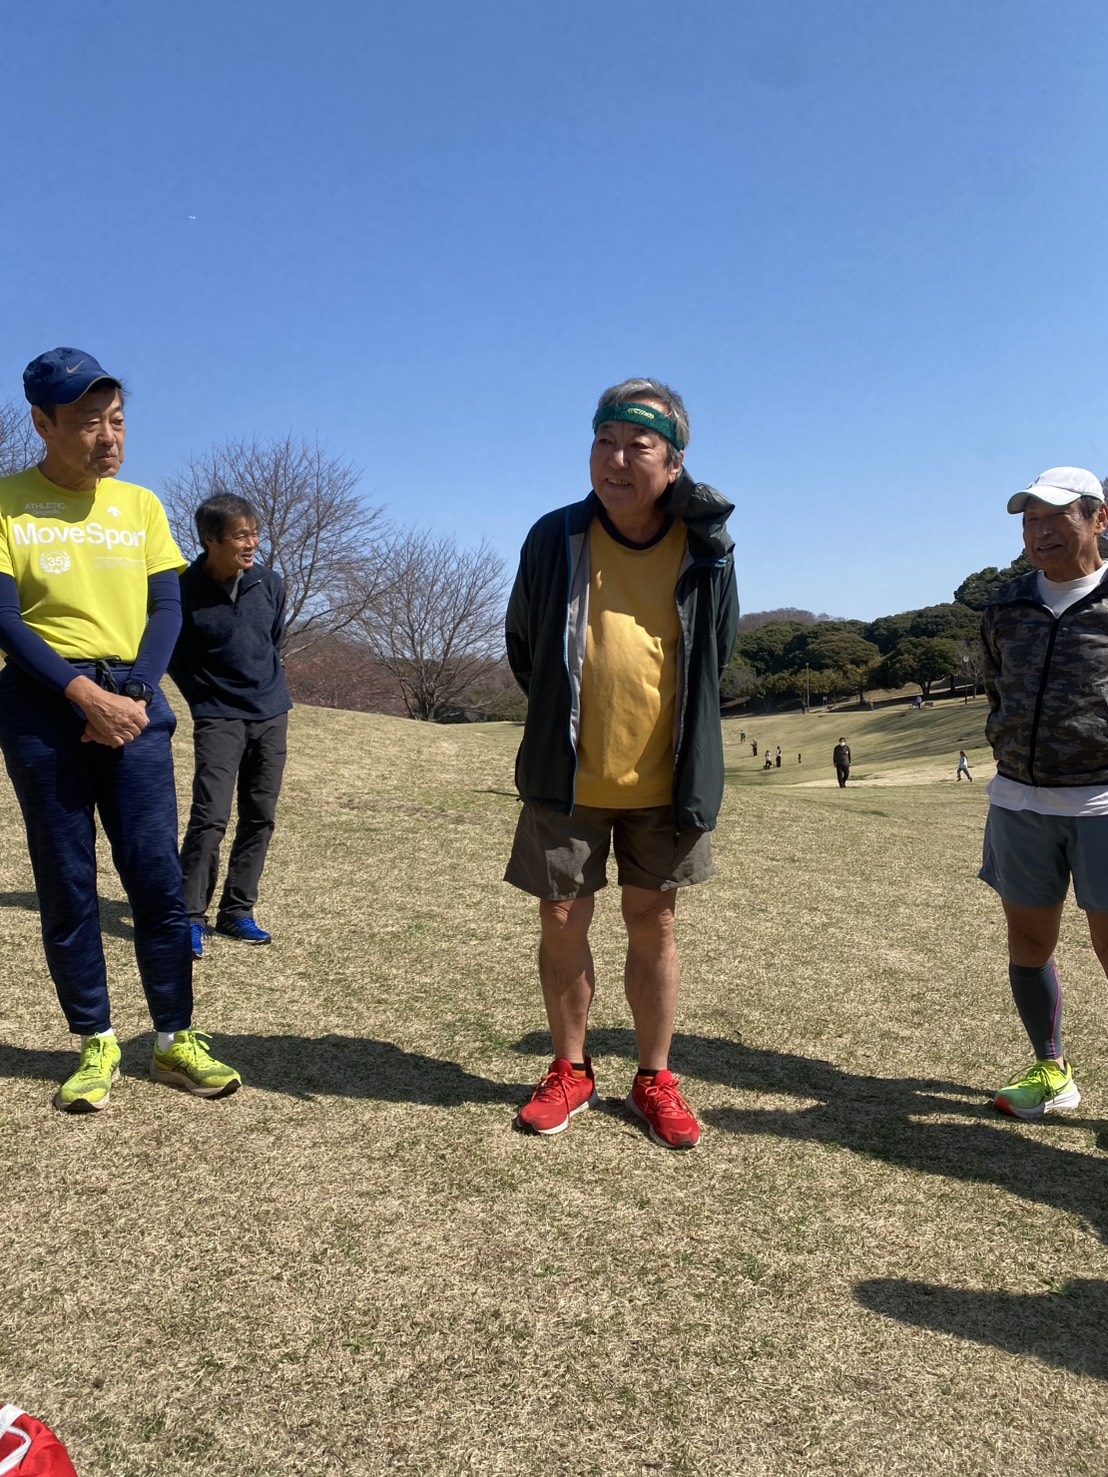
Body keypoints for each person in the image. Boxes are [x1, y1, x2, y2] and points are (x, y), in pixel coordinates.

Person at [0, 348, 240, 1112]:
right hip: (43, 706)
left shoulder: (140, 506)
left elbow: (166, 608)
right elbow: (5, 618)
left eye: (117, 419)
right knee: (67, 881)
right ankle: (96, 1040)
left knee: (156, 878)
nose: (109, 437)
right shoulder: (7, 502)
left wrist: (131, 694)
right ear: (43, 424)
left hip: (133, 703)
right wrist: (80, 693)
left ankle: (173, 1038)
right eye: (87, 422)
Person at [505, 378, 739, 1150]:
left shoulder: (706, 546)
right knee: (561, 917)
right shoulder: (554, 537)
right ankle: (570, 1068)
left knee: (654, 920)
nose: (616, 458)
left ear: (674, 463)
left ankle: (654, 1077)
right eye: (604, 441)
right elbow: (524, 644)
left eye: (638, 445)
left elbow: (716, 653)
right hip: (567, 775)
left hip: (665, 780)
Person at [980, 467, 1108, 1119]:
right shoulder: (1005, 607)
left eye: (1056, 518)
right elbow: (996, 690)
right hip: (1019, 804)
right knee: (1028, 946)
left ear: (1099, 519)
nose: (1040, 533)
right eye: (1030, 521)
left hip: (1102, 805)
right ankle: (1053, 1070)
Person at [170, 494, 291, 957]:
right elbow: (176, 657)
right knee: (210, 817)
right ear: (210, 540)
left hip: (271, 713)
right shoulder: (183, 589)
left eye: (254, 533)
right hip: (218, 715)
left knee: (260, 816)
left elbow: (273, 641)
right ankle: (189, 915)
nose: (251, 543)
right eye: (241, 536)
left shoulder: (270, 583)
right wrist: (204, 700)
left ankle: (237, 911)